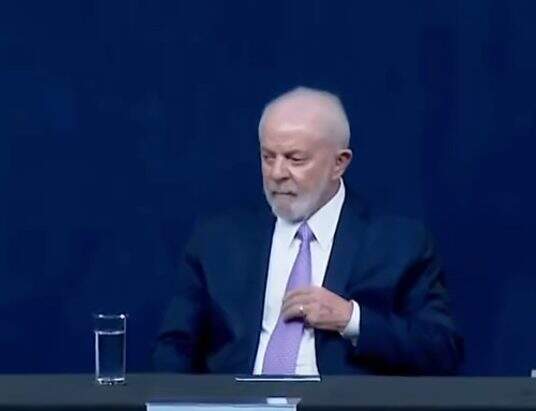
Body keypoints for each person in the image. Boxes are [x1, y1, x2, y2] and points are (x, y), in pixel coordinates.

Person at [153, 87, 463, 375]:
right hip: (240, 404)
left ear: (339, 163)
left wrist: (351, 319)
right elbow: (174, 347)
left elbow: (442, 350)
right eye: (268, 157)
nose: (277, 173)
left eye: (295, 159)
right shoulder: (217, 240)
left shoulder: (398, 243)